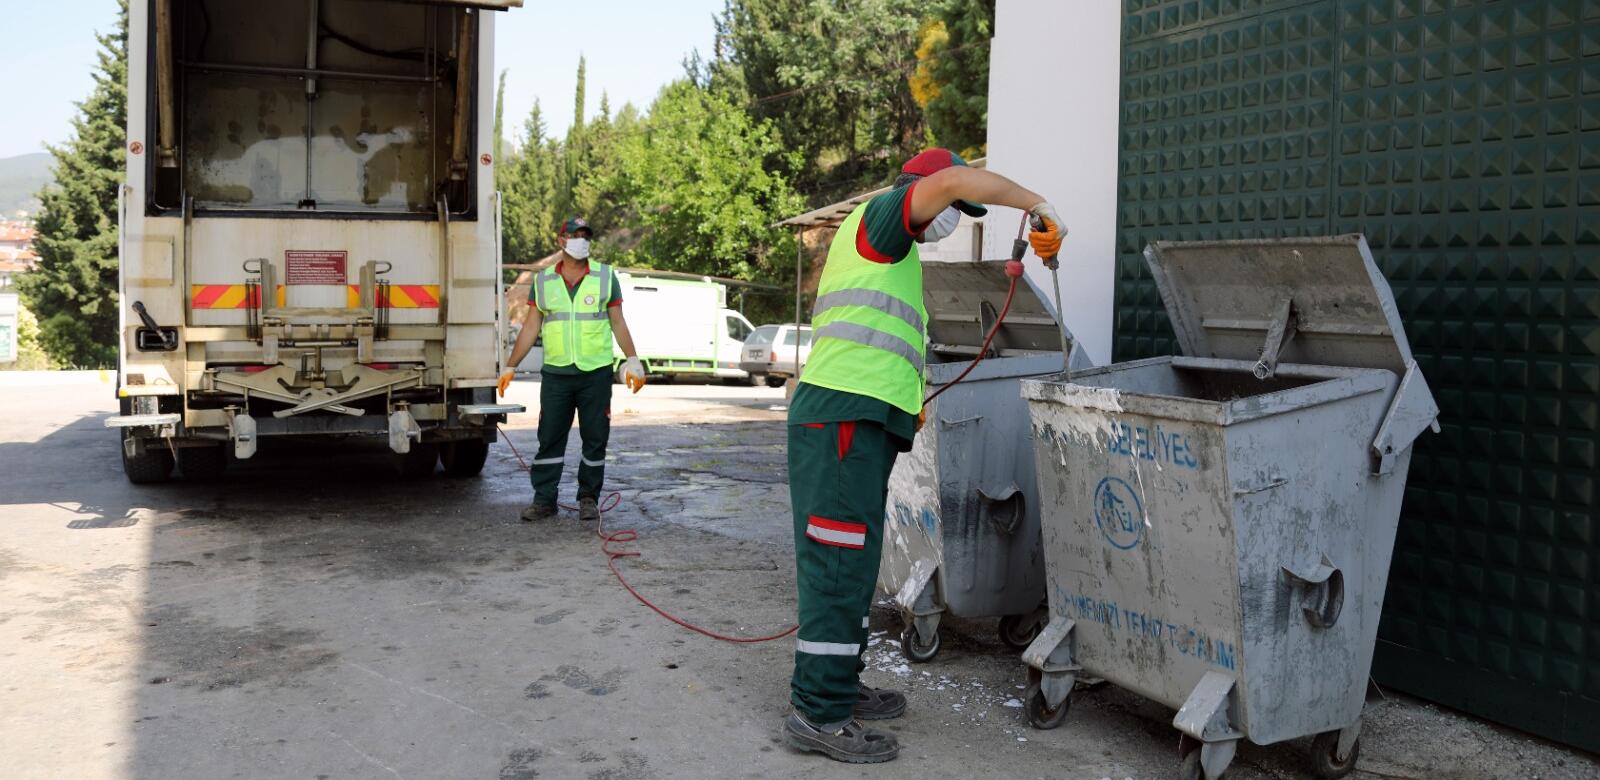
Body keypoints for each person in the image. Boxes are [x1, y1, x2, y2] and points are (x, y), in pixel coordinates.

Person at [781, 149, 1064, 764]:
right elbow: (957, 178)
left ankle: (840, 687)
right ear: (921, 188)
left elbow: (882, 341)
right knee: (837, 561)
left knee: (853, 562)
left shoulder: (895, 256)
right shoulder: (883, 219)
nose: (953, 218)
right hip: (841, 422)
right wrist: (1036, 203)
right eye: (953, 208)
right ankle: (818, 713)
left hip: (861, 422)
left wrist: (908, 399)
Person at [500, 217, 648, 523]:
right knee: (550, 438)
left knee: (595, 438)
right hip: (556, 375)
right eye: (574, 235)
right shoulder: (543, 282)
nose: (581, 240)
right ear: (561, 241)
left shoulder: (605, 277)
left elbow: (617, 322)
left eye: (585, 235)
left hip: (595, 374)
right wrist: (510, 366)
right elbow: (530, 328)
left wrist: (633, 360)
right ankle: (544, 500)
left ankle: (588, 498)